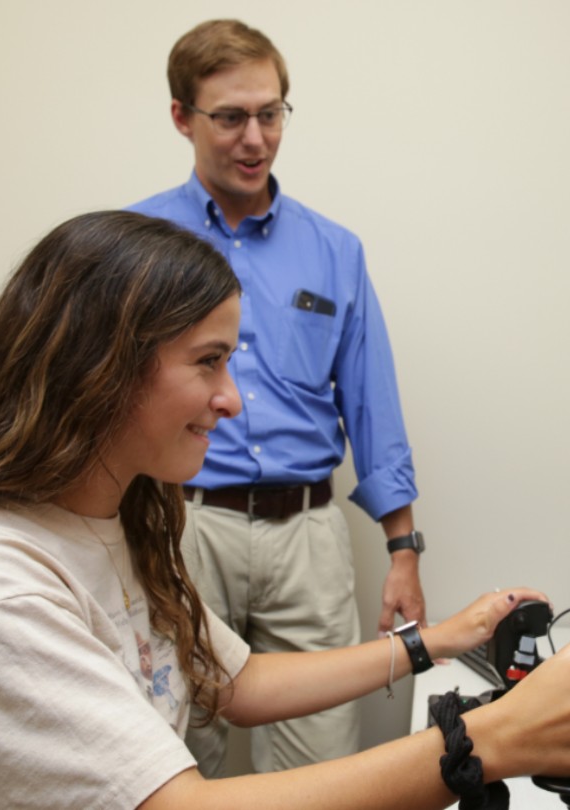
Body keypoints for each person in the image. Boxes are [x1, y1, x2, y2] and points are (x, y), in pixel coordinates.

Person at [0, 211, 570, 809]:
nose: (233, 401)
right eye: (208, 362)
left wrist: (438, 641)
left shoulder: (114, 528)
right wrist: (489, 742)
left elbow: (235, 684)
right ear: (99, 368)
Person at [126, 19, 424, 773]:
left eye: (271, 113)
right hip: (178, 528)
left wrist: (403, 549)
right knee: (174, 753)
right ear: (181, 117)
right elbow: (105, 397)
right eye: (229, 117)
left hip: (307, 535)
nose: (254, 138)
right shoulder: (136, 243)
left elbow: (371, 404)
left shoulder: (334, 250)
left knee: (322, 763)